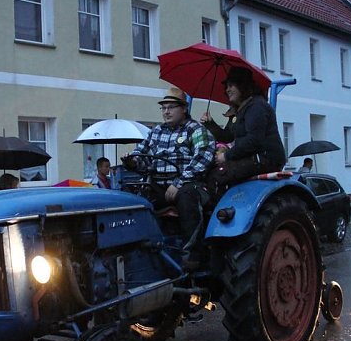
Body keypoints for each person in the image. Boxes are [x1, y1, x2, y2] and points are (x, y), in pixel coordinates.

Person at [123, 86, 215, 270]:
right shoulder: (156, 131)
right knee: (133, 200)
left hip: (189, 183)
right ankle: (137, 248)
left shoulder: (196, 130)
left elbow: (203, 157)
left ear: (184, 109)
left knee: (188, 198)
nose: (166, 111)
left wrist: (178, 183)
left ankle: (191, 256)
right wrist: (133, 161)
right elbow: (143, 156)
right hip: (158, 184)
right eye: (163, 107)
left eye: (171, 107)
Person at [199, 66, 287, 196]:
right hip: (249, 158)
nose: (227, 90)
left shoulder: (257, 106)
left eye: (231, 85)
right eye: (226, 86)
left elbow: (254, 140)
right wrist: (210, 124)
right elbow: (227, 136)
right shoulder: (238, 110)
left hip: (266, 159)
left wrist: (226, 156)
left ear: (243, 85)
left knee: (218, 175)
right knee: (206, 170)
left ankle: (221, 213)